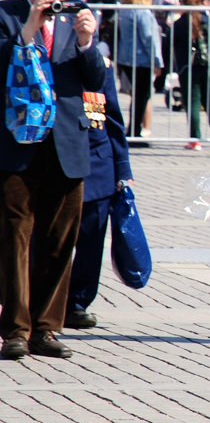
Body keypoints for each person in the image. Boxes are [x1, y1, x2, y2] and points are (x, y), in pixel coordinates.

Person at [0, 0, 105, 360]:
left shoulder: (75, 13)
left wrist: (86, 42)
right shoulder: (7, 14)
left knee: (59, 241)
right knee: (13, 238)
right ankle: (15, 329)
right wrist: (27, 29)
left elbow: (95, 80)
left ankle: (46, 327)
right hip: (16, 145)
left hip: (66, 142)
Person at [65, 55, 132, 330]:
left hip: (98, 163)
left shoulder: (100, 64)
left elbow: (112, 118)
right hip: (58, 160)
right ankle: (40, 302)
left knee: (91, 241)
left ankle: (77, 303)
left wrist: (122, 168)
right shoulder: (47, 59)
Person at [114, 0, 163, 139]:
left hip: (125, 58)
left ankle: (133, 129)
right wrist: (157, 61)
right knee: (142, 96)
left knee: (136, 96)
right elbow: (149, 39)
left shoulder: (124, 10)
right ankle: (134, 131)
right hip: (141, 59)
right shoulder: (143, 12)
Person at [171, 0, 210, 150]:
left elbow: (170, 45)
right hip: (209, 65)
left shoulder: (179, 24)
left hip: (188, 67)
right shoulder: (206, 20)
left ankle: (195, 139)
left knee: (192, 102)